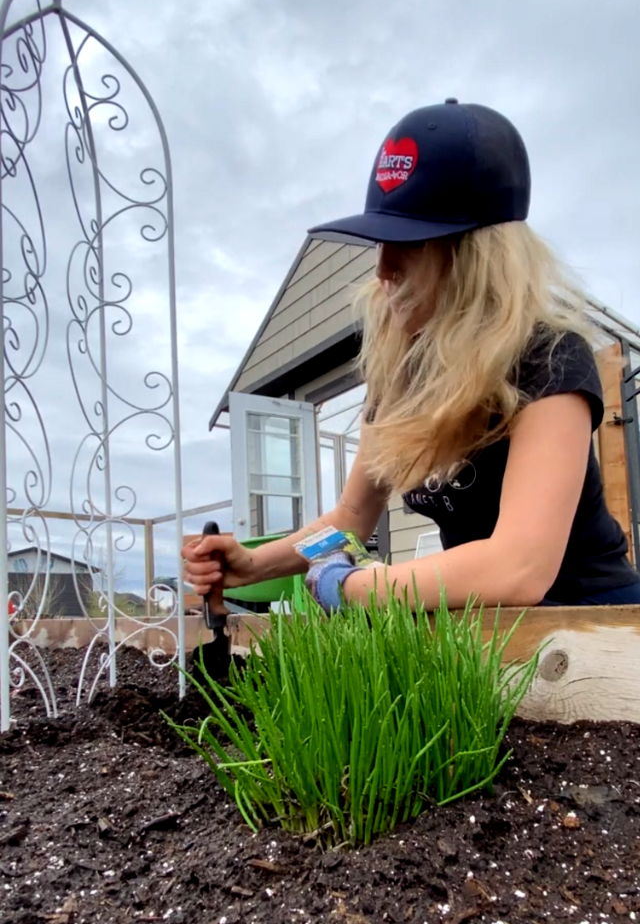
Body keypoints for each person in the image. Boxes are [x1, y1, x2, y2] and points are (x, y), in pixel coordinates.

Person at [184, 98, 640, 612]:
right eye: (382, 239)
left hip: (590, 627)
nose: (383, 268)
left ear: (477, 258)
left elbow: (519, 567)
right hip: (482, 634)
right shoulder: (403, 373)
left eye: (412, 243)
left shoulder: (548, 358)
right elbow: (352, 517)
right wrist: (252, 562)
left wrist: (354, 586)